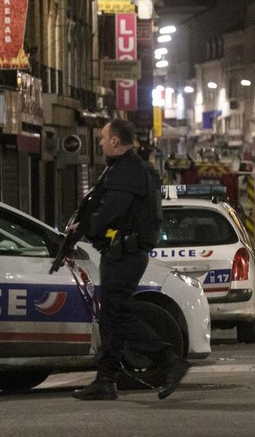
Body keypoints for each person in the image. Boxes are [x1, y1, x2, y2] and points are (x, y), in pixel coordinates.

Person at [71, 119, 188, 401]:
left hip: (124, 253)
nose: (99, 143)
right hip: (121, 252)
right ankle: (106, 379)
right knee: (111, 316)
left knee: (118, 313)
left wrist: (87, 228)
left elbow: (113, 211)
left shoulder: (129, 172)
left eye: (102, 138)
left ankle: (169, 360)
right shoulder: (130, 169)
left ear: (115, 141)